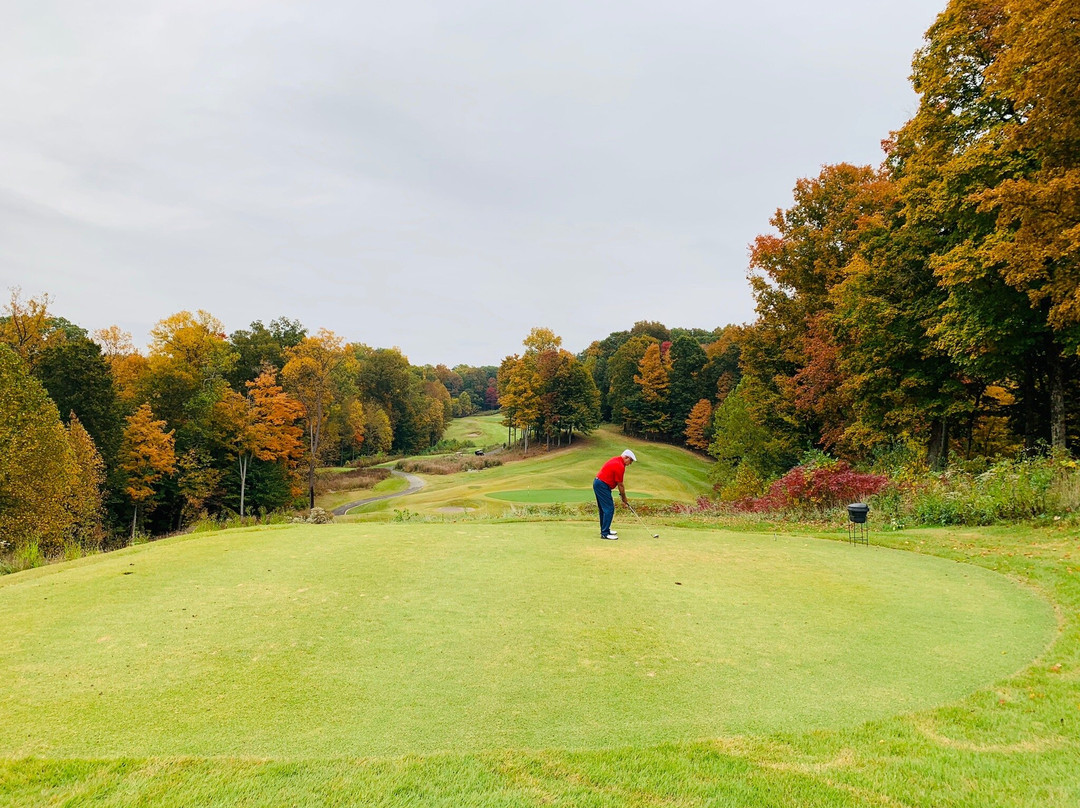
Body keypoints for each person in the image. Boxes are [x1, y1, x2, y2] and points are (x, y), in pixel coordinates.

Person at [593, 449, 636, 540]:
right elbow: (620, 485)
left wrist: (622, 497)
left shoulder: (617, 460)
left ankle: (605, 530)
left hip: (599, 484)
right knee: (609, 509)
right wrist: (624, 498)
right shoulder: (620, 465)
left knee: (604, 509)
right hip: (602, 485)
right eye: (631, 460)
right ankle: (605, 533)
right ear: (626, 457)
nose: (630, 463)